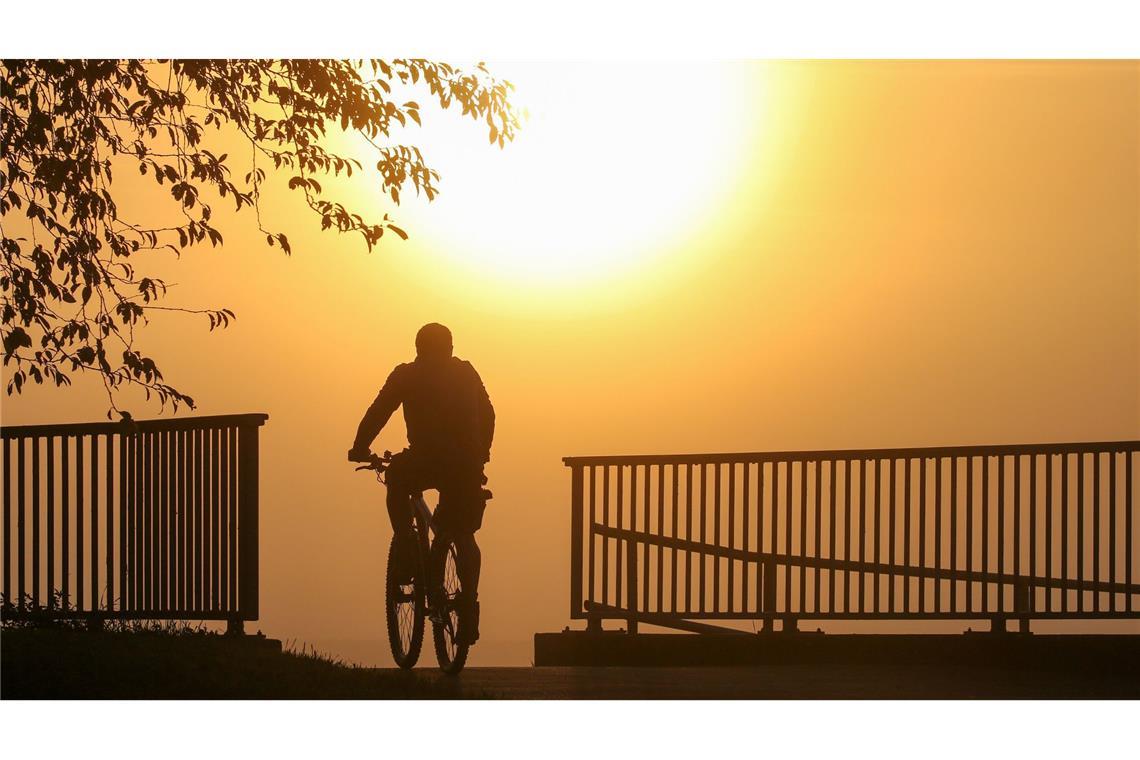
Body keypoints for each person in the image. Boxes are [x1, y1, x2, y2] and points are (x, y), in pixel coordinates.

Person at [348, 323, 494, 645]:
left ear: (418, 349)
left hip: (425, 460)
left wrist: (360, 447)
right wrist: (481, 457)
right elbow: (489, 414)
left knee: (397, 479)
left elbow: (379, 411)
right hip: (465, 465)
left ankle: (403, 546)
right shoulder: (466, 372)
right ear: (451, 348)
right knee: (465, 535)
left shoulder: (406, 375)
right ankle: (467, 604)